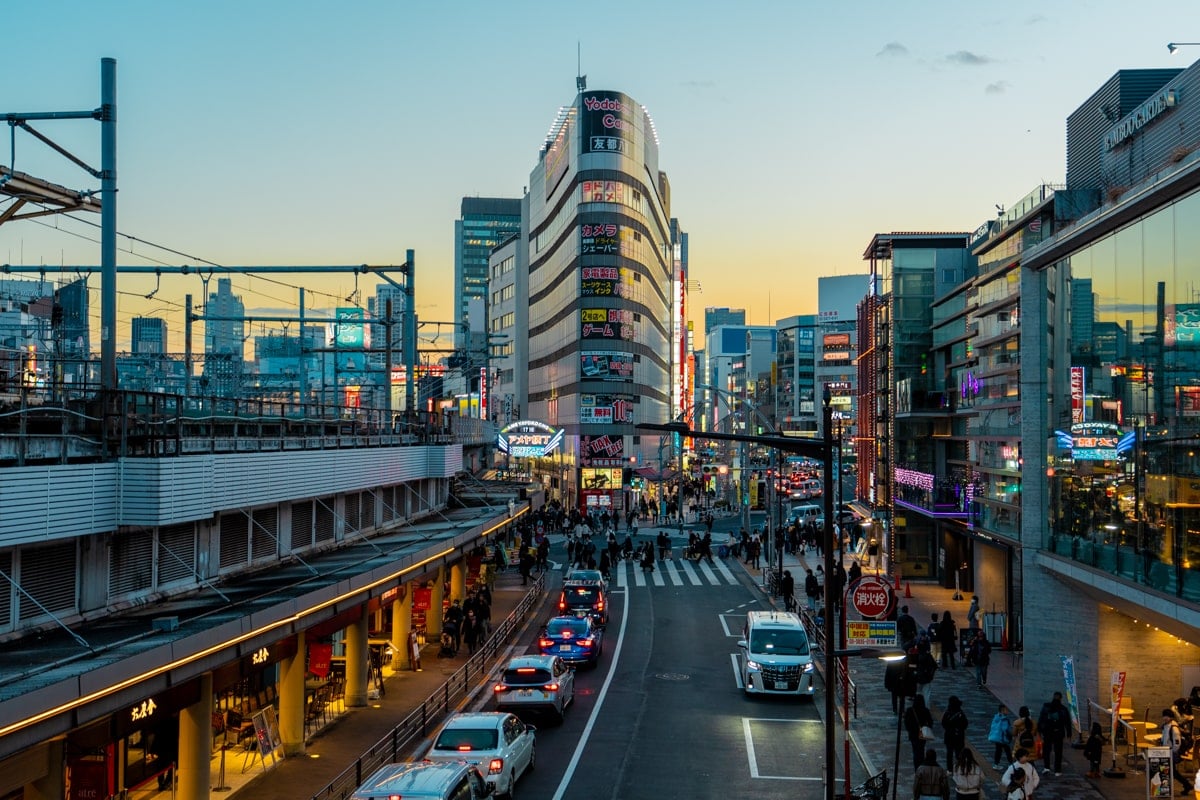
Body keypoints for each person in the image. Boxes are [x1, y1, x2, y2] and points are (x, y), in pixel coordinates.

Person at [1037, 691, 1068, 776]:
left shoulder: (1046, 706)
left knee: (1047, 750)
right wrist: (1069, 733)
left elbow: (1041, 718)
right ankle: (1057, 770)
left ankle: (1046, 767)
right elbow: (1067, 722)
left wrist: (1039, 730)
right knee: (1058, 751)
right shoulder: (1063, 709)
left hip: (1048, 732)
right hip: (1058, 733)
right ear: (1061, 698)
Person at [1161, 708, 1190, 793]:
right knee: (1172, 772)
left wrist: (1173, 752)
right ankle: (1187, 785)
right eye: (1164, 716)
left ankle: (1166, 789)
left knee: (1169, 771)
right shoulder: (1165, 725)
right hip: (1166, 751)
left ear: (1171, 717)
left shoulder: (1174, 728)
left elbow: (1177, 743)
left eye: (1167, 716)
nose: (1165, 718)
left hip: (1170, 752)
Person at [904, 695, 935, 769]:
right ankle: (921, 764)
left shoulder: (910, 710)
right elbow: (930, 722)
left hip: (913, 734)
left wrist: (909, 730)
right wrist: (927, 728)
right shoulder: (925, 710)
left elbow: (906, 722)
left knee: (915, 750)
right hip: (922, 733)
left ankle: (917, 767)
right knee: (921, 749)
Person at [941, 695, 969, 773]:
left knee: (949, 753)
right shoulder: (961, 713)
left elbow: (943, 723)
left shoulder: (947, 713)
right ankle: (960, 767)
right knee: (959, 753)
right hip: (959, 736)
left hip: (949, 736)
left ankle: (949, 769)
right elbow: (965, 724)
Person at [988, 703, 1015, 769]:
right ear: (1002, 711)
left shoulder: (996, 717)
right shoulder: (1004, 719)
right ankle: (1011, 764)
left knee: (998, 751)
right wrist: (1011, 735)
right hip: (1002, 739)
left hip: (997, 738)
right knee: (1007, 750)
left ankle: (996, 764)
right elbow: (1005, 729)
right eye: (1006, 710)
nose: (1007, 711)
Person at [915, 639, 939, 706]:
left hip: (917, 677)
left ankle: (917, 706)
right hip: (927, 678)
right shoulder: (928, 656)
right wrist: (931, 675)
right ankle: (926, 708)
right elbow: (935, 666)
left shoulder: (915, 656)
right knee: (927, 694)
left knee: (918, 693)